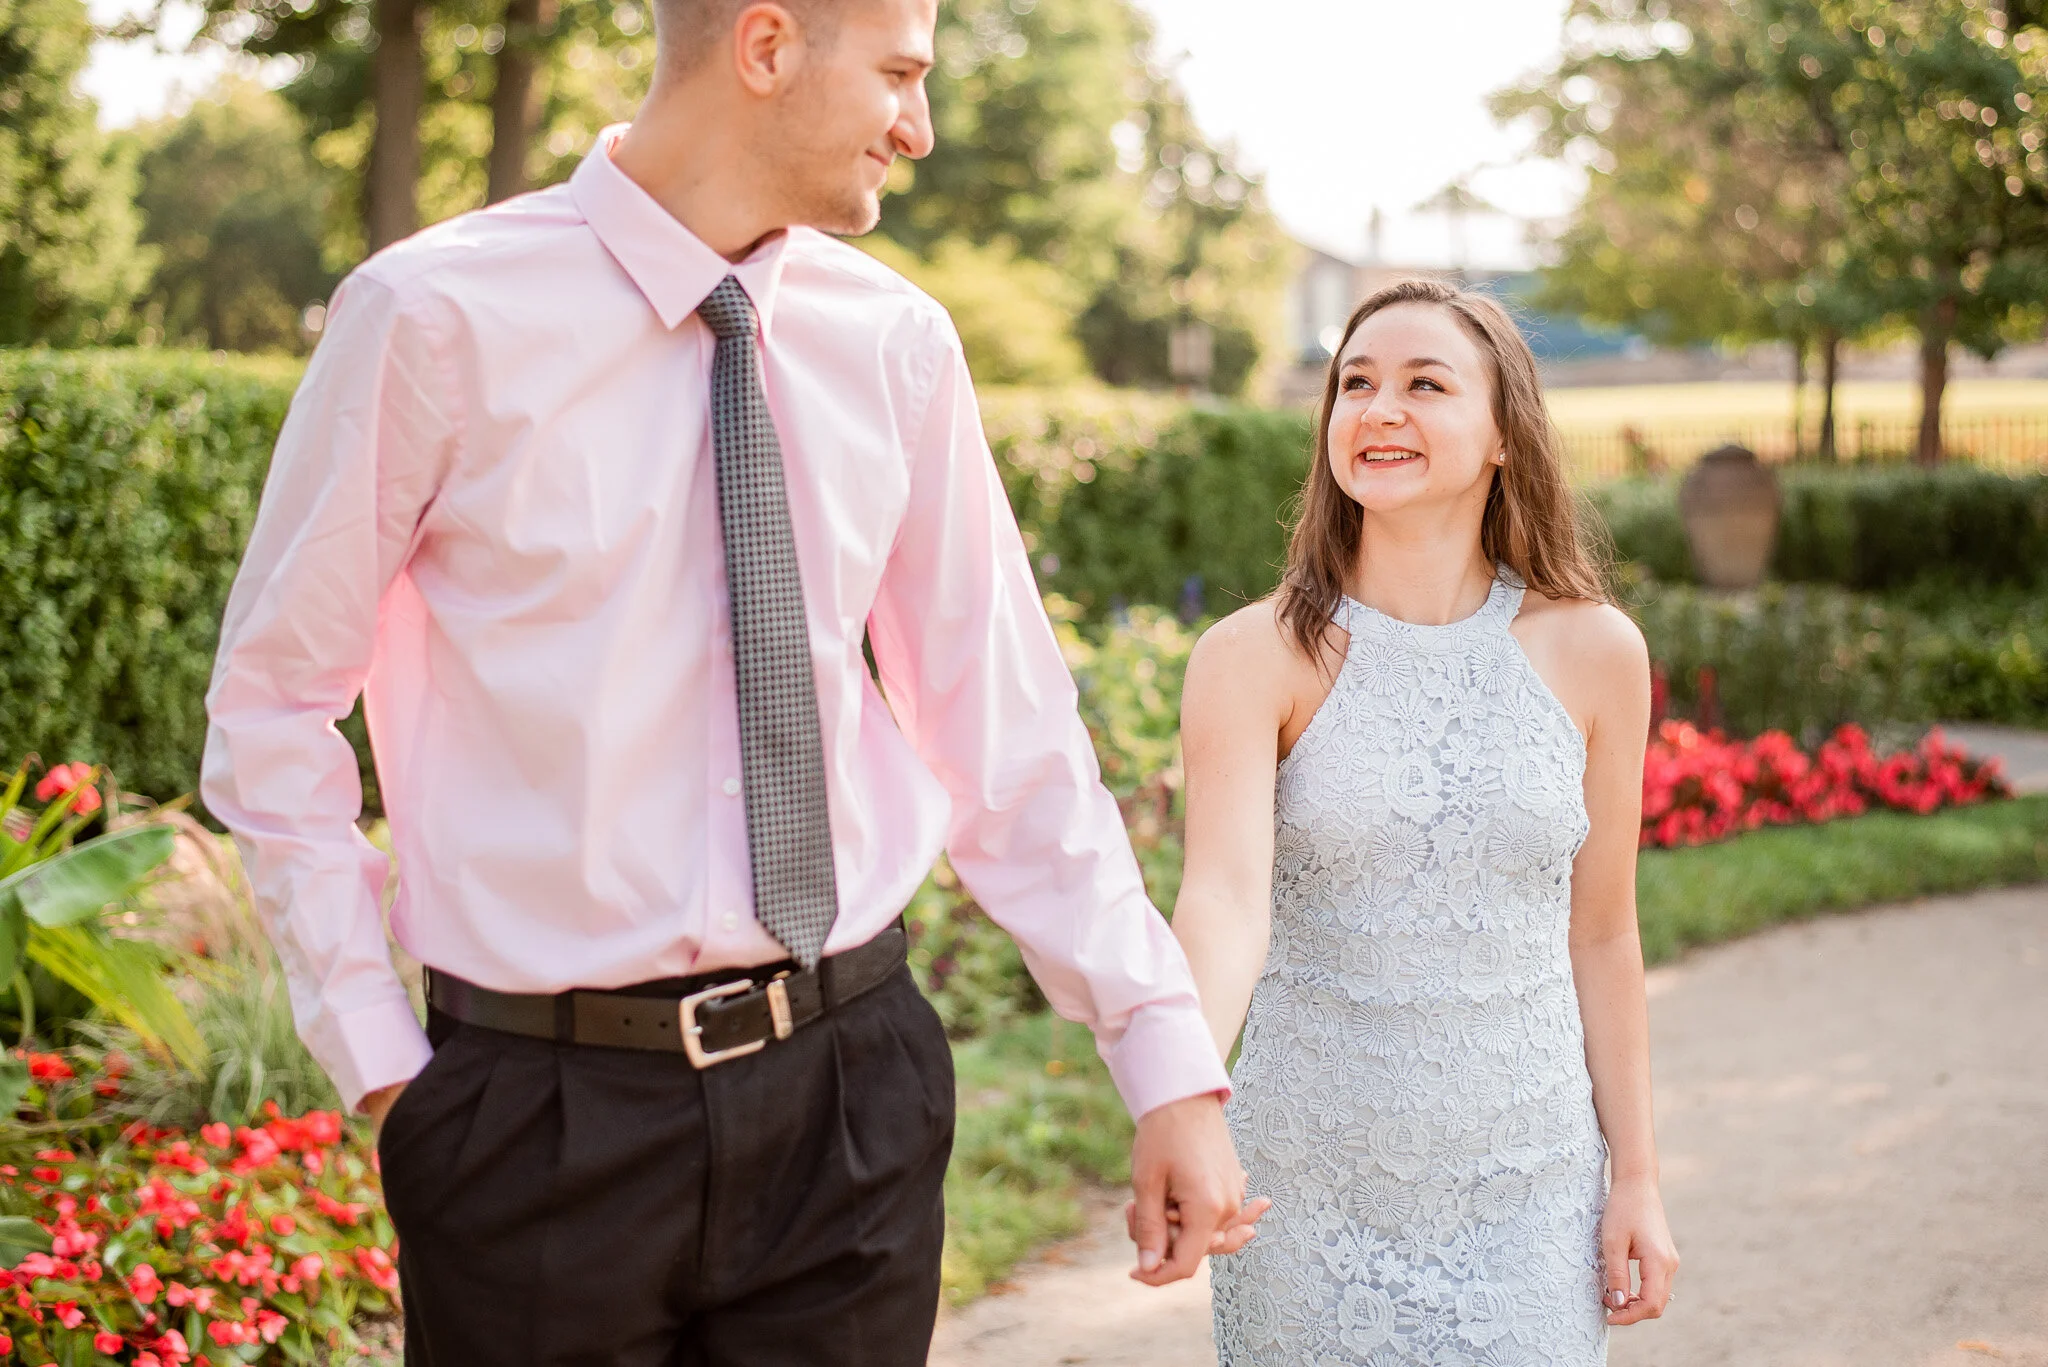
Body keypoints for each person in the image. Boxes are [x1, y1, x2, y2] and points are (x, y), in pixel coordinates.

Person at [200, 1, 1261, 1360]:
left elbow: (1007, 730)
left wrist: (1163, 1055)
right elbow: (274, 700)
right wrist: (382, 1065)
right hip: (536, 1123)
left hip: (849, 1092)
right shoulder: (431, 316)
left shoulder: (897, 343)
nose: (919, 128)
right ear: (767, 48)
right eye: (898, 75)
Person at [1172, 279, 1679, 1365]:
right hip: (1307, 1190)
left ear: (1502, 433)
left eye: (1422, 383)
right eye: (1354, 383)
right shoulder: (1249, 655)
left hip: (1530, 1186)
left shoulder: (1595, 651)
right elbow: (1220, 902)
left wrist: (1632, 1173)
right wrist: (1178, 1092)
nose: (1376, 408)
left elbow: (1601, 932)